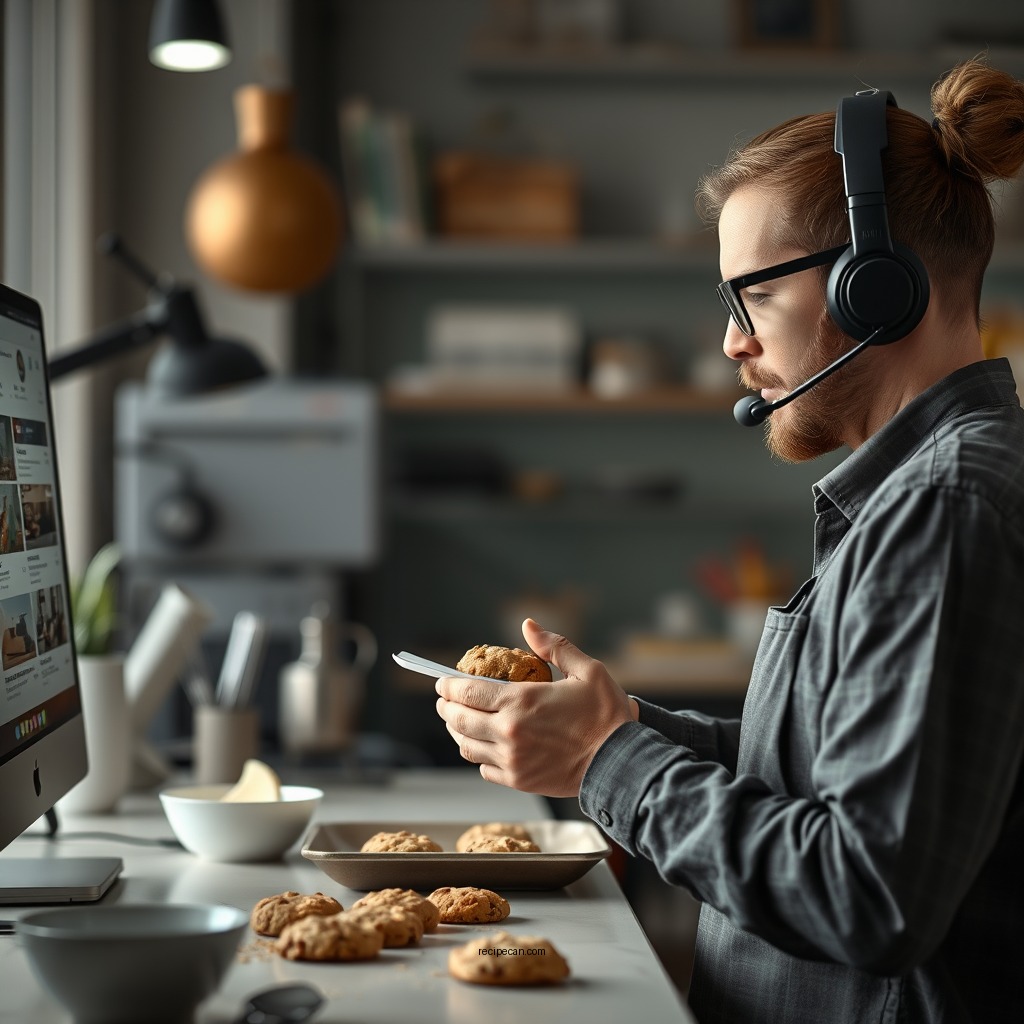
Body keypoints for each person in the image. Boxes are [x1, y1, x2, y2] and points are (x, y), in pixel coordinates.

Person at [434, 58, 1024, 1024]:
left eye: (753, 298)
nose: (732, 344)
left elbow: (867, 894)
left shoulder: (945, 507)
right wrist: (614, 726)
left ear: (876, 290)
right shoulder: (918, 496)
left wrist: (605, 763)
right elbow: (818, 778)